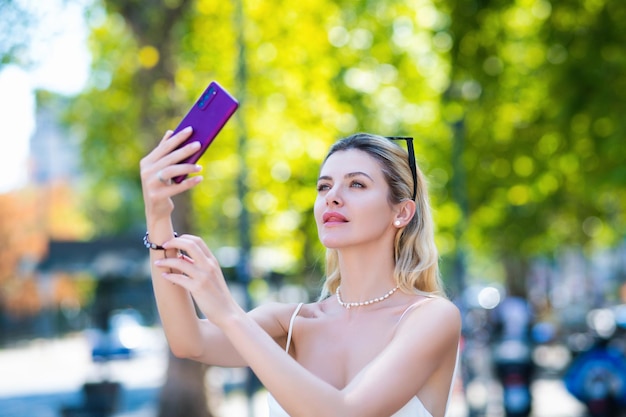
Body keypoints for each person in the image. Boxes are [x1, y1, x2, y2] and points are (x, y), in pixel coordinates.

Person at [140, 128, 462, 417]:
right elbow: (189, 341)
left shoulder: (431, 318)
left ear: (402, 212)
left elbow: (346, 413)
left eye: (357, 184)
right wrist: (157, 215)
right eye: (324, 186)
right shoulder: (294, 324)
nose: (332, 196)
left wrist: (228, 312)